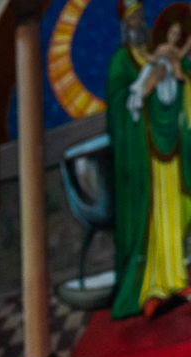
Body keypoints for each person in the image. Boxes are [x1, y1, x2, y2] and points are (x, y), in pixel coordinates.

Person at [108, 0, 191, 319]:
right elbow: (118, 107)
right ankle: (150, 288)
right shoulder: (120, 60)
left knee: (171, 211)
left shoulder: (157, 53)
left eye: (141, 18)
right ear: (123, 24)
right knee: (152, 217)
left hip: (168, 146)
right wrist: (139, 93)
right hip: (141, 158)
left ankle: (174, 279)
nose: (138, 24)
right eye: (132, 19)